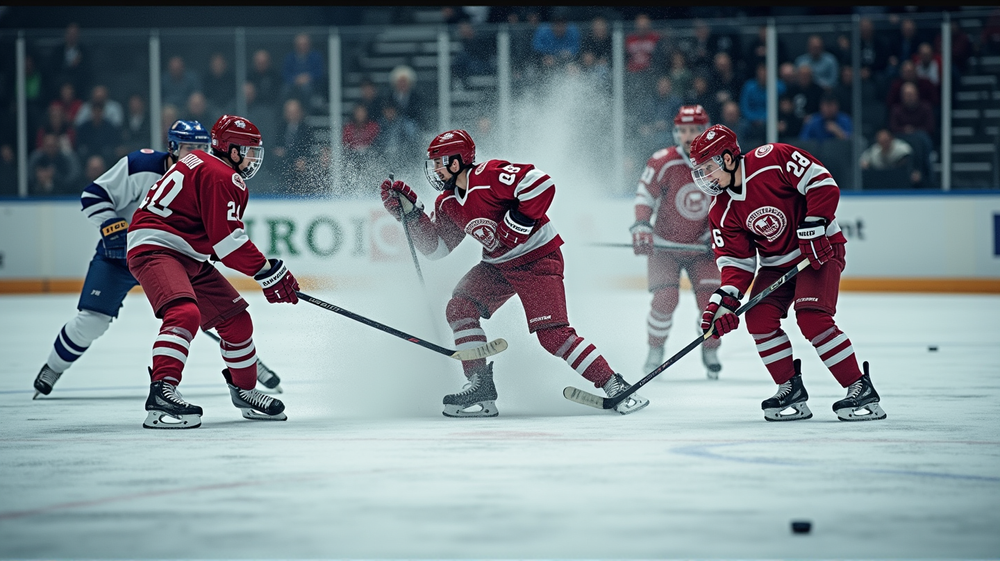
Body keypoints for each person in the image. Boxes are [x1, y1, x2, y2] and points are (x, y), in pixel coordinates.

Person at [379, 129, 649, 417]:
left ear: (456, 162)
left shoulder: (489, 175)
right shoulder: (446, 203)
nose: (433, 169)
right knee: (459, 308)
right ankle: (480, 385)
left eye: (438, 162)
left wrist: (517, 221)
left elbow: (541, 184)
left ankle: (615, 385)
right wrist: (410, 215)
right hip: (498, 265)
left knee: (553, 336)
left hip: (538, 259)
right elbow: (437, 249)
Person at [31, 120, 285, 402]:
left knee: (220, 315)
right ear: (172, 147)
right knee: (93, 321)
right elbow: (94, 194)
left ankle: (243, 381)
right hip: (120, 255)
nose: (195, 151)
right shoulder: (142, 165)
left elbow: (213, 233)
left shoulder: (202, 171)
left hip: (178, 255)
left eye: (200, 147)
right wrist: (111, 225)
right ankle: (52, 369)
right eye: (188, 146)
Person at [688, 124, 886, 422]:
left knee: (811, 317)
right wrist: (724, 300)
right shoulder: (721, 211)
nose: (706, 177)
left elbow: (822, 183)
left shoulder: (773, 159)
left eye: (708, 168)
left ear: (728, 158)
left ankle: (860, 387)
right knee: (758, 318)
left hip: (820, 251)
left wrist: (816, 222)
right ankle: (789, 388)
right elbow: (736, 262)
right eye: (700, 170)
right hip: (777, 264)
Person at [126, 115, 298, 429]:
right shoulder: (224, 176)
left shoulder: (201, 162)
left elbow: (212, 236)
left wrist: (261, 270)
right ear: (231, 150)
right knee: (184, 313)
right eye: (247, 150)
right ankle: (162, 391)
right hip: (158, 247)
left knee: (236, 321)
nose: (251, 158)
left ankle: (244, 391)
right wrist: (268, 271)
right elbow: (229, 244)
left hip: (183, 251)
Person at [630, 105, 722, 378]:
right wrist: (641, 226)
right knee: (665, 300)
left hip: (702, 247)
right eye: (683, 130)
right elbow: (645, 195)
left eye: (694, 130)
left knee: (712, 303)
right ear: (675, 132)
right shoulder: (663, 161)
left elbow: (726, 203)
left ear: (705, 131)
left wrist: (718, 234)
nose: (689, 136)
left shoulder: (718, 163)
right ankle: (655, 349)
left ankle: (711, 348)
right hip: (664, 246)